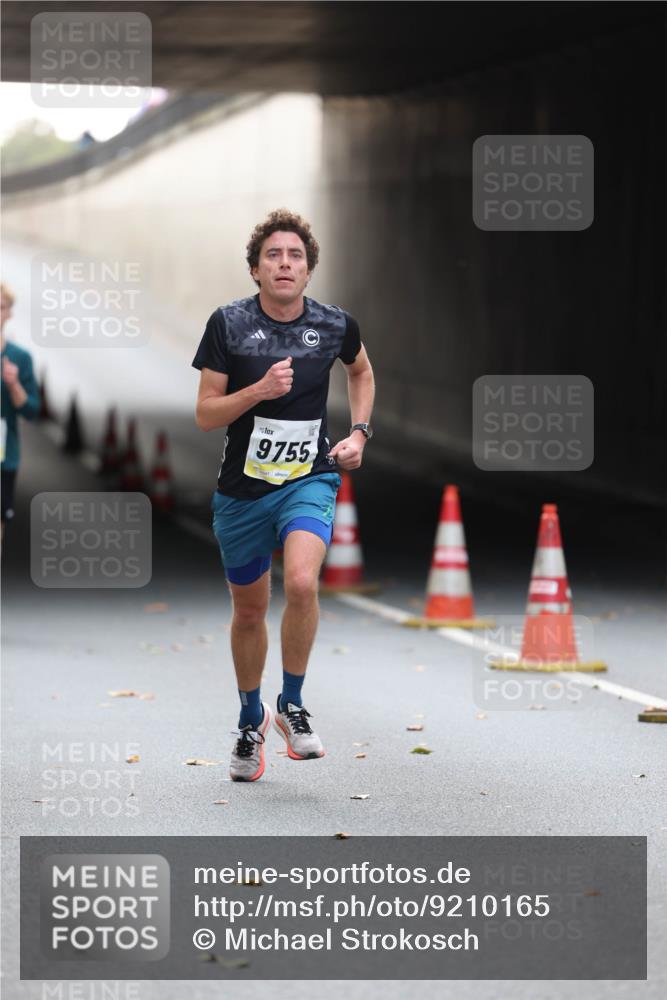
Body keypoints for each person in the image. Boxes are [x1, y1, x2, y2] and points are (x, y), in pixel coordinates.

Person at [193, 209, 375, 782]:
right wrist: (259, 390)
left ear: (308, 269)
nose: (284, 264)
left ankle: (291, 704)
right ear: (255, 269)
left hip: (308, 479)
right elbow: (206, 414)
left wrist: (359, 434)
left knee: (300, 582)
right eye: (273, 255)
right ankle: (252, 720)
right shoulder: (227, 325)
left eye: (295, 255)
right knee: (249, 611)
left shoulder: (335, 325)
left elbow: (361, 372)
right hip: (242, 494)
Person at [1, 283, 40, 541]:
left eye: (0, 307)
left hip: (4, 458)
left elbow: (31, 411)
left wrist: (14, 384)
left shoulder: (19, 358)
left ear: (9, 314)